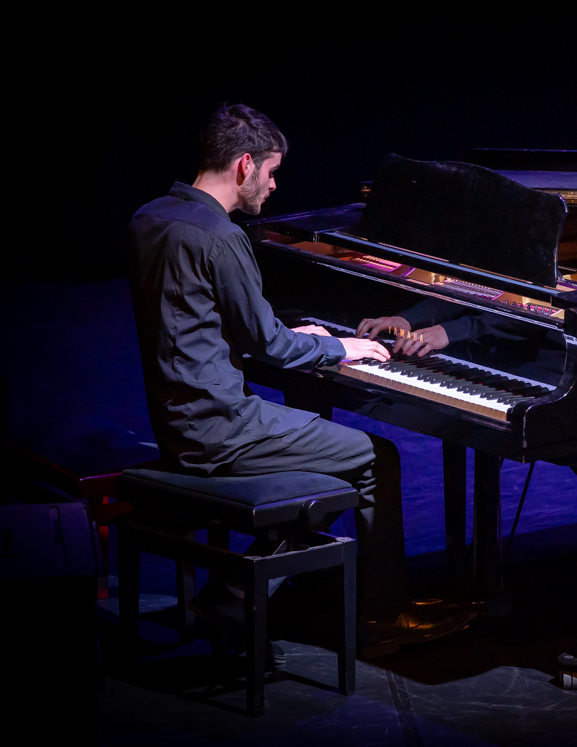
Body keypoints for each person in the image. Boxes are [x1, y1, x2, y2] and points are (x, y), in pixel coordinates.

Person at [126, 103, 473, 659]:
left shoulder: (150, 218)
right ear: (244, 166)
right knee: (375, 458)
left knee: (330, 454)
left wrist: (291, 334)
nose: (273, 184)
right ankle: (384, 617)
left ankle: (241, 587)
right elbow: (268, 346)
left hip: (174, 419)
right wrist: (341, 346)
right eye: (270, 172)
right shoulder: (222, 236)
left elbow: (199, 321)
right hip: (221, 428)